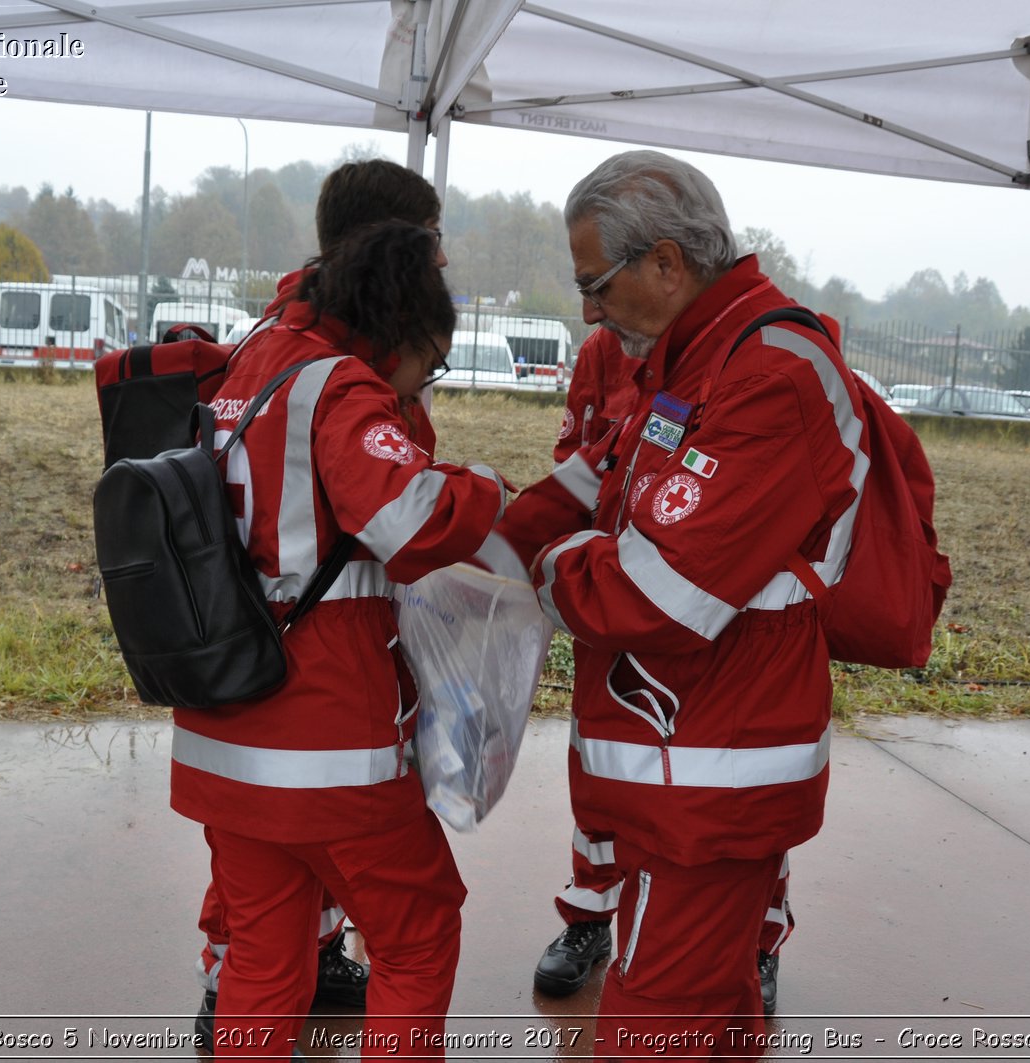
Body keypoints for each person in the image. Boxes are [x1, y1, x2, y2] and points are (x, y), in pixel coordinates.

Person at [493, 151, 861, 1058]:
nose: (587, 309)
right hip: (682, 765)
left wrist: (549, 561)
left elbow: (661, 593)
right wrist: (483, 523)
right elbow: (605, 480)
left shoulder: (766, 372)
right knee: (715, 1017)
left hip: (710, 779)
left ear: (666, 263)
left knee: (652, 1023)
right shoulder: (698, 359)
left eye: (595, 283)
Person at [171, 219, 507, 1059]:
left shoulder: (251, 362)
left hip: (224, 727)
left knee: (262, 956)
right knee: (418, 932)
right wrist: (490, 490)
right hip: (324, 736)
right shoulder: (341, 388)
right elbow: (407, 516)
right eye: (427, 366)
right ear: (399, 330)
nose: (418, 387)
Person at [534, 328, 795, 1016]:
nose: (595, 307)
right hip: (613, 597)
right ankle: (589, 914)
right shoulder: (603, 350)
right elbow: (581, 452)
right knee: (600, 769)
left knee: (740, 800)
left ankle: (757, 942)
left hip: (722, 621)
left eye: (601, 283)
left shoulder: (760, 357)